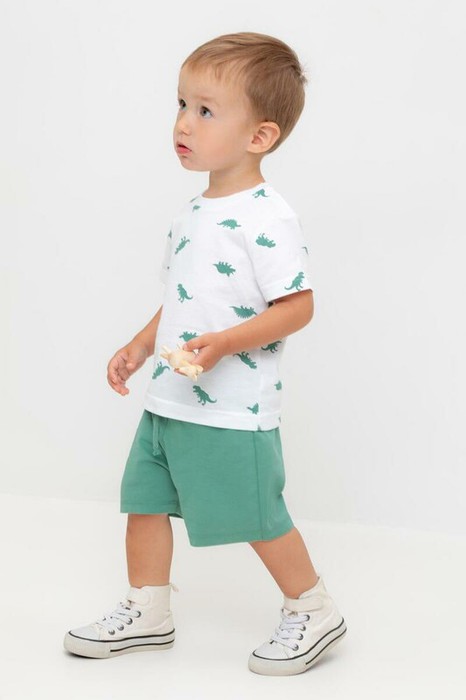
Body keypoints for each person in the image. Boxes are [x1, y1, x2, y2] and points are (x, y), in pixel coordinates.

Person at [63, 31, 347, 676]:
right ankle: (148, 609)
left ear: (260, 136)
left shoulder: (267, 216)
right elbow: (184, 297)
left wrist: (226, 343)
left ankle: (312, 607)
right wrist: (141, 345)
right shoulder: (192, 212)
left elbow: (297, 307)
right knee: (143, 501)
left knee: (256, 515)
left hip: (231, 408)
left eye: (206, 110)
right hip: (170, 398)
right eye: (182, 104)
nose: (184, 123)